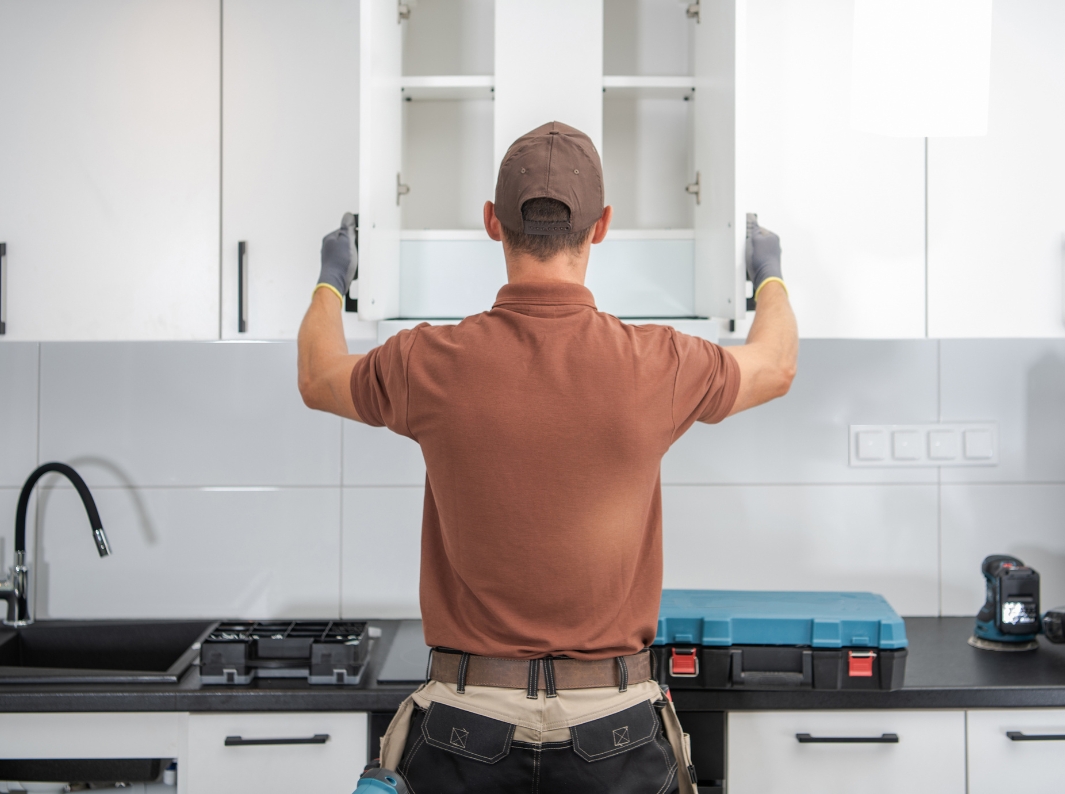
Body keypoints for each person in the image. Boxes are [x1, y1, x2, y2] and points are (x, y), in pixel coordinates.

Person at [298, 121, 797, 794]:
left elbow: (318, 375)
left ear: (491, 223)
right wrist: (768, 275)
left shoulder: (427, 362)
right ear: (603, 226)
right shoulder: (658, 363)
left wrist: (333, 278)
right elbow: (775, 365)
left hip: (465, 728)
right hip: (614, 729)